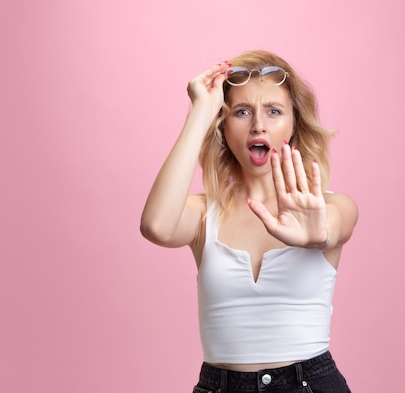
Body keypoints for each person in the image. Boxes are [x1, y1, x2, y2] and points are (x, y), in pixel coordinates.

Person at [140, 50, 358, 393]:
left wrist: (318, 234)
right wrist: (201, 111)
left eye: (274, 111)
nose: (258, 125)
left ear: (294, 123)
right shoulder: (202, 215)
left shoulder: (331, 206)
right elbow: (156, 225)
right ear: (224, 126)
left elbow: (333, 226)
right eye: (242, 112)